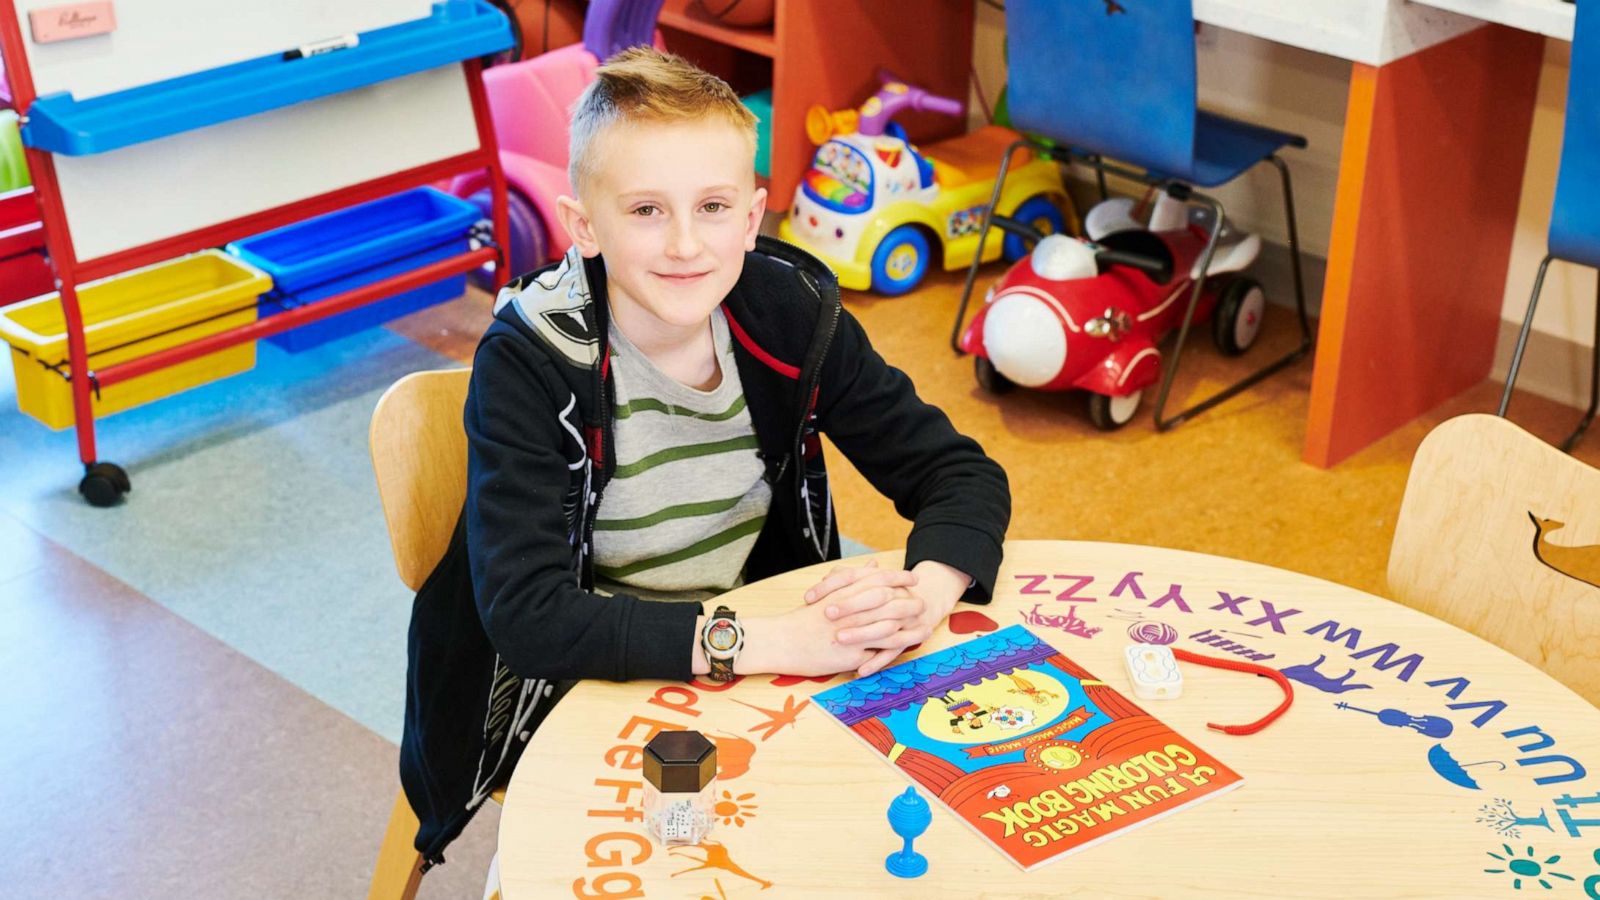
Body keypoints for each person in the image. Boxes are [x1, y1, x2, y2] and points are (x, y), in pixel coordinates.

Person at [399, 47, 1010, 867]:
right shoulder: (530, 359)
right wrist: (773, 643)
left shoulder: (793, 314)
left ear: (753, 218)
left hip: (758, 655)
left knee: (902, 828)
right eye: (646, 210)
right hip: (575, 681)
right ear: (584, 226)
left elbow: (960, 474)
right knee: (637, 861)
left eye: (714, 206)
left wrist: (923, 595)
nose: (687, 244)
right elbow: (531, 619)